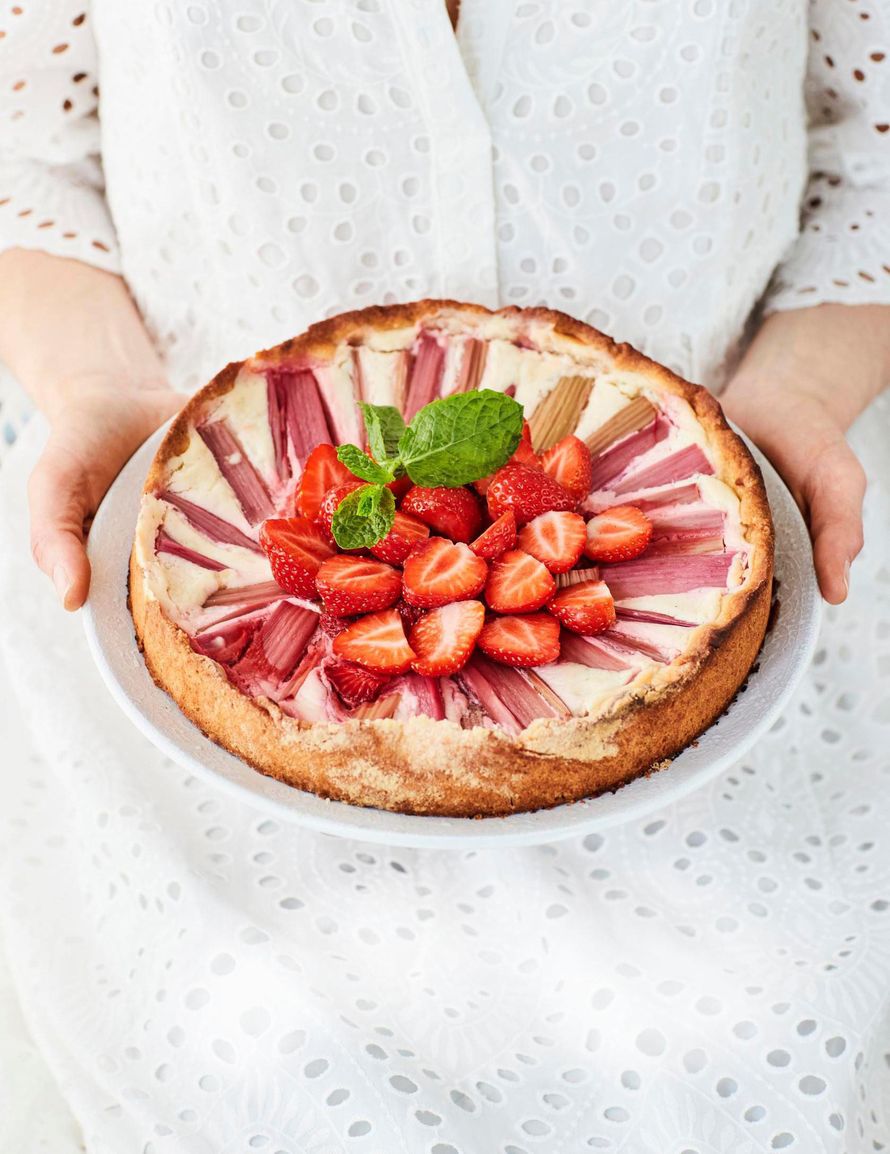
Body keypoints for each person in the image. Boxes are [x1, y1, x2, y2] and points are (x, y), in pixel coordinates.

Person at [0, 3, 888, 1151]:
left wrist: (801, 392)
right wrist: (92, 381)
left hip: (735, 585)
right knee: (258, 1049)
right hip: (193, 611)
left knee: (758, 1042)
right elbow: (24, 149)